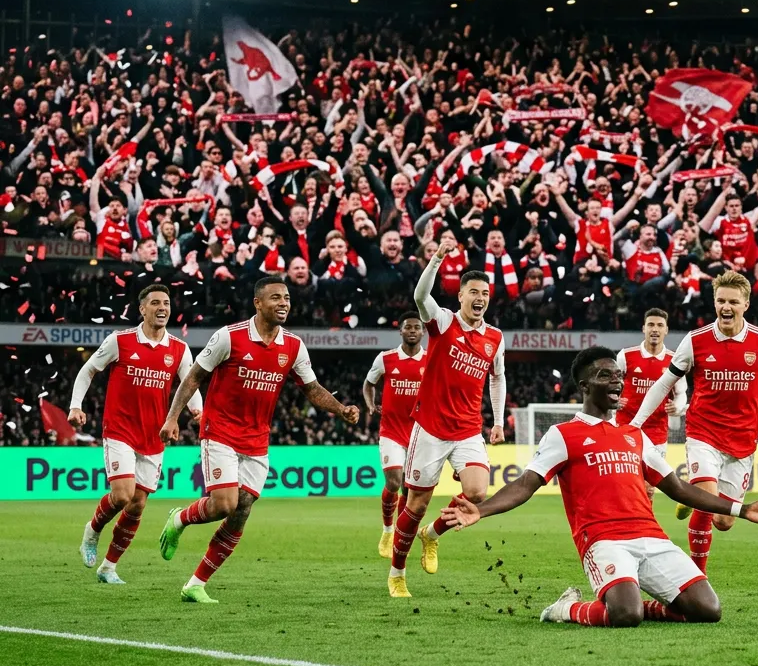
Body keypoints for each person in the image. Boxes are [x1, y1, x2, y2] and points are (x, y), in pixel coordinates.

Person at [436, 346, 758, 628]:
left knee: (708, 609)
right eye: (605, 375)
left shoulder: (634, 436)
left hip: (651, 536)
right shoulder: (563, 434)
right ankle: (566, 608)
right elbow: (527, 484)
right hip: (603, 539)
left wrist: (741, 509)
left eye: (619, 376)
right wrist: (480, 509)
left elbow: (679, 488)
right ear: (584, 386)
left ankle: (637, 601)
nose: (617, 383)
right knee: (625, 616)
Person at [156, 277, 360, 603]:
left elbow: (311, 388)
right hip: (220, 431)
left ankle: (195, 584)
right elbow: (193, 377)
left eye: (287, 298)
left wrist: (340, 409)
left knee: (242, 510)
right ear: (258, 303)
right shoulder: (229, 337)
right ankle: (179, 518)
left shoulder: (293, 346)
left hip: (257, 440)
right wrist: (172, 417)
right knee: (224, 504)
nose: (283, 303)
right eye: (275, 297)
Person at [630, 270, 758, 574]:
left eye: (733, 301)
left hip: (743, 440)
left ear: (746, 303)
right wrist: (636, 423)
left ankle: (690, 496)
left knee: (725, 521)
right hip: (704, 432)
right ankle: (696, 577)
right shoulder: (696, 341)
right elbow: (664, 383)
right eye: (720, 301)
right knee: (707, 500)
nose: (726, 307)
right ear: (714, 302)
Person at [386, 239, 506, 598]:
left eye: (485, 292)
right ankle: (396, 572)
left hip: (468, 429)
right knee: (416, 503)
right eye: (473, 291)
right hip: (431, 429)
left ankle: (433, 534)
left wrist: (497, 420)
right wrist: (437, 258)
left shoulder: (495, 339)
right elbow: (421, 296)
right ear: (462, 296)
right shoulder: (443, 322)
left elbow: (497, 377)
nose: (480, 297)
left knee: (477, 492)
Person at [70, 284, 202, 584]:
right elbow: (89, 369)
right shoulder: (121, 340)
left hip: (154, 435)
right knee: (122, 495)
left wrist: (197, 411)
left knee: (138, 503)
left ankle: (109, 567)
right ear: (142, 309)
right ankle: (92, 531)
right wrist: (76, 405)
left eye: (166, 303)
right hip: (120, 429)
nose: (162, 308)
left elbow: (189, 383)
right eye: (155, 303)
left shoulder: (179, 349)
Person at [363, 311, 426, 558]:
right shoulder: (386, 358)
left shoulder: (430, 360)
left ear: (423, 332)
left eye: (416, 327)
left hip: (420, 434)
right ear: (400, 331)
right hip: (391, 431)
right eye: (407, 327)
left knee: (410, 493)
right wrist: (370, 403)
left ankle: (400, 532)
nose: (412, 331)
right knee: (393, 481)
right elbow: (369, 383)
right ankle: (388, 529)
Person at [615, 308, 688, 497]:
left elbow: (681, 394)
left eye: (659, 325)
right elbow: (611, 384)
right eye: (651, 325)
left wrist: (678, 406)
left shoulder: (675, 360)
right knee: (624, 482)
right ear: (643, 329)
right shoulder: (626, 356)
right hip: (626, 426)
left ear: (666, 330)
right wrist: (613, 399)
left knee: (649, 488)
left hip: (656, 431)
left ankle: (642, 525)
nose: (655, 329)